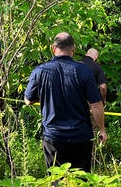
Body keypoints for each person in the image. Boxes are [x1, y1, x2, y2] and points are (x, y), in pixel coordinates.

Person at [25, 32, 108, 173]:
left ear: (53, 48)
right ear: (73, 49)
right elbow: (96, 104)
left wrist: (48, 94)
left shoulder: (40, 71)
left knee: (56, 181)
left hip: (53, 137)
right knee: (82, 181)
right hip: (81, 136)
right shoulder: (84, 71)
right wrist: (102, 130)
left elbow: (28, 100)